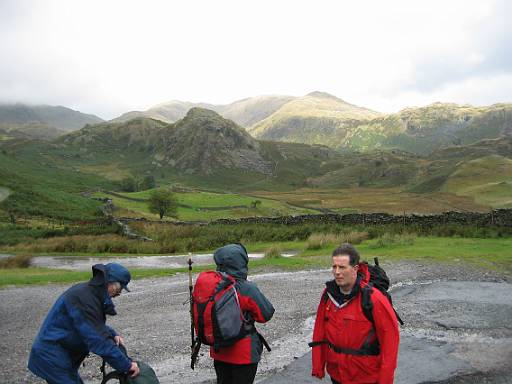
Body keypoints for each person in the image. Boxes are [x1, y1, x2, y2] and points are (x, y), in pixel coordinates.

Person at [28, 263, 140, 383]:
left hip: (60, 356)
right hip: (52, 357)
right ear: (110, 284)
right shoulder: (84, 299)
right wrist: (126, 365)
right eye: (119, 289)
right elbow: (98, 340)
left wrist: (112, 334)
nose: (118, 294)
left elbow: (90, 324)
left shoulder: (89, 293)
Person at [311, 243, 399, 384]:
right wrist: (318, 366)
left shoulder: (373, 299)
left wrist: (385, 380)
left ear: (355, 269)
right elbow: (319, 331)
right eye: (334, 267)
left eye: (342, 267)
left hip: (366, 377)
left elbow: (390, 342)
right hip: (337, 374)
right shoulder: (328, 295)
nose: (337, 272)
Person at [210, 243, 275, 384]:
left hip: (219, 352)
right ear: (241, 262)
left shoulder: (212, 286)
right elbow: (266, 314)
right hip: (243, 355)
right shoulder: (246, 288)